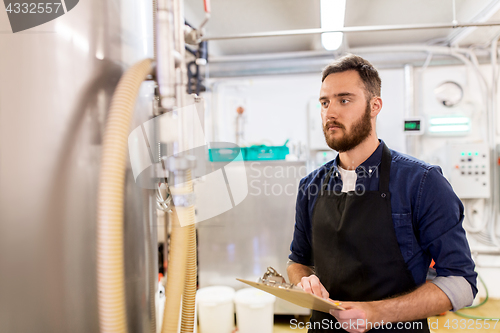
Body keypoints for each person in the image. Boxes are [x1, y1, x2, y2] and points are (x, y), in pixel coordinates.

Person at [287, 54, 477, 333]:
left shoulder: (422, 182)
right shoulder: (310, 186)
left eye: (344, 100)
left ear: (375, 106)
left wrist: (376, 312)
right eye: (325, 102)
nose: (330, 112)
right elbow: (297, 261)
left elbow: (462, 283)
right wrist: (304, 281)